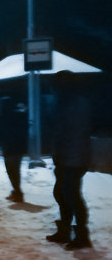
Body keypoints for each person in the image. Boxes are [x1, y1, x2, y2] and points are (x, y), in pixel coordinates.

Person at [46, 71, 93, 249]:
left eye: (54, 86)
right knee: (62, 193)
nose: (52, 89)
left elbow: (69, 132)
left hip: (74, 157)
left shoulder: (74, 104)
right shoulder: (67, 102)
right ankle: (65, 230)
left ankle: (82, 235)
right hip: (68, 156)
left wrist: (62, 153)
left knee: (71, 196)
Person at [0, 96, 28, 203]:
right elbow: (25, 129)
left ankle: (18, 193)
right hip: (18, 147)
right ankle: (16, 192)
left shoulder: (0, 116)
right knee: (16, 170)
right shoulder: (20, 115)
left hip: (8, 148)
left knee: (11, 171)